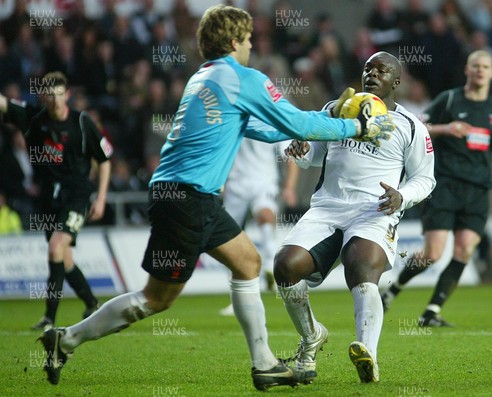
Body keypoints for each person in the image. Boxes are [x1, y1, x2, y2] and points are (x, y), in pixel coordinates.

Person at [36, 5, 395, 390]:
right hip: (190, 198)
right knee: (155, 299)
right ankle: (68, 338)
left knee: (247, 263)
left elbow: (265, 128)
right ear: (235, 40)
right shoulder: (242, 78)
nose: (253, 45)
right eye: (250, 38)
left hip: (178, 193)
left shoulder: (203, 78)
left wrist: (327, 125)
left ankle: (264, 364)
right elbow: (295, 123)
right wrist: (355, 125)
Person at [275, 51, 436, 383]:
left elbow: (426, 178)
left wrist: (401, 196)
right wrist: (300, 149)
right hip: (327, 209)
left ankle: (367, 353)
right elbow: (311, 154)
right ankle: (311, 338)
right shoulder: (338, 110)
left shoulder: (411, 126)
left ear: (396, 81)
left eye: (381, 70)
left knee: (361, 263)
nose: (372, 74)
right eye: (367, 68)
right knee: (285, 266)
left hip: (372, 212)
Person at [380, 50, 492, 326]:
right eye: (475, 65)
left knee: (465, 249)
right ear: (467, 70)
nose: (480, 70)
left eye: (485, 66)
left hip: (477, 189)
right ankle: (393, 290)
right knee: (432, 253)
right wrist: (446, 129)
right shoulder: (450, 98)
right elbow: (417, 127)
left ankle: (431, 311)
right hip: (444, 185)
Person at [0, 72, 110, 330]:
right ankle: (92, 303)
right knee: (64, 259)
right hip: (50, 199)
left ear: (67, 94)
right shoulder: (34, 119)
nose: (56, 99)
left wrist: (101, 198)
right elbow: (4, 103)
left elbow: (104, 159)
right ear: (44, 97)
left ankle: (49, 317)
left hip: (77, 194)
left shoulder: (82, 122)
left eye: (60, 93)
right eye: (50, 94)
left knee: (54, 247)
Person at [219, 138, 299, 316]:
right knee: (229, 239)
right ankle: (237, 298)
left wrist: (289, 187)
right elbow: (219, 150)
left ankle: (270, 264)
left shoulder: (270, 116)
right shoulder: (233, 116)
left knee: (265, 215)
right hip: (235, 185)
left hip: (264, 181)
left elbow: (290, 155)